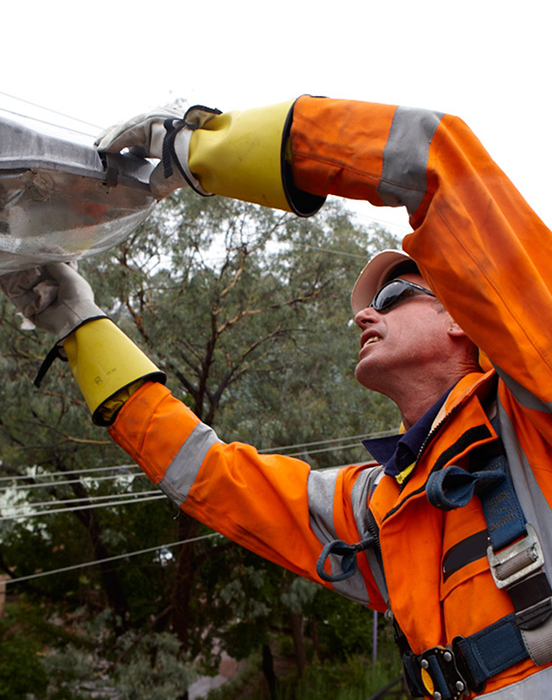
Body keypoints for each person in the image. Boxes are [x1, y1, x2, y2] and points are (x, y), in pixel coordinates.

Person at [2, 95, 552, 699]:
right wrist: (78, 324)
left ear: (461, 318)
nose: (365, 314)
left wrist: (198, 151)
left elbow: (434, 157)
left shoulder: (535, 415)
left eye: (394, 297)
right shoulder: (380, 505)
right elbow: (211, 476)